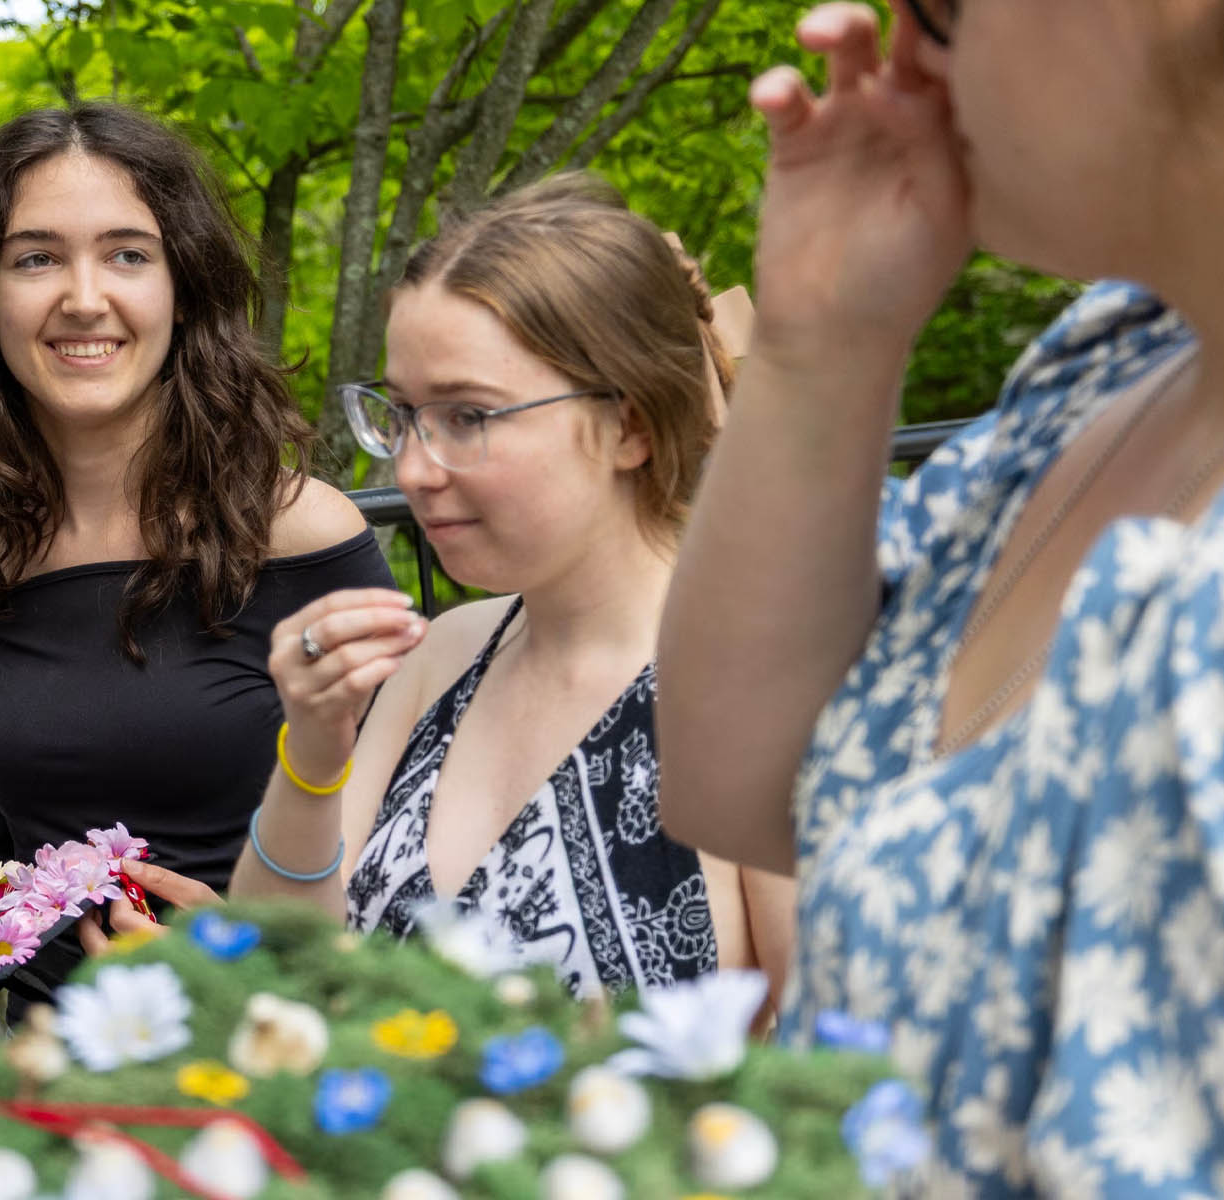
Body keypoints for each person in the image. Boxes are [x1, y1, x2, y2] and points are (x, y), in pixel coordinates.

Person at [657, 0, 1224, 1191]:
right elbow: (745, 790)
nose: (902, 48)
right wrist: (819, 339)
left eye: (940, 5)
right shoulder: (1115, 354)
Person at [0, 103, 393, 1076]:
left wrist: (254, 948)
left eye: (127, 254)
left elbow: (420, 842)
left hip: (290, 1067)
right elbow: (18, 847)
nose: (83, 297)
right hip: (60, 1082)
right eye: (35, 258)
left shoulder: (300, 531)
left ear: (183, 287)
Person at [213, 172, 791, 1001]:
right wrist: (312, 745)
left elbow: (850, 1069)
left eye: (468, 417)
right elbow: (272, 976)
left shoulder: (768, 694)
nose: (410, 468)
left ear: (627, 424)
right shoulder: (444, 653)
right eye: (403, 412)